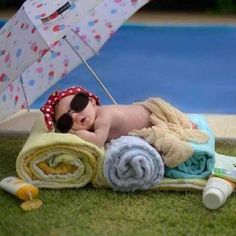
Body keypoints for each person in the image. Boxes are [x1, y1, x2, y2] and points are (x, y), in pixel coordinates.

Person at [40, 86, 200, 148]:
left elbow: (97, 141)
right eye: (66, 121)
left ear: (92, 102)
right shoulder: (98, 118)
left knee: (176, 123)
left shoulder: (104, 117)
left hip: (152, 114)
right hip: (144, 113)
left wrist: (77, 133)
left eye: (77, 105)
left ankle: (187, 124)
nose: (74, 115)